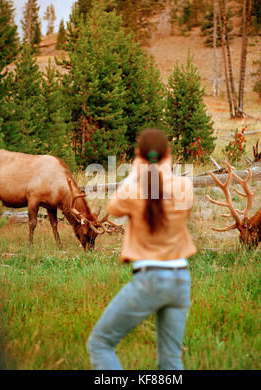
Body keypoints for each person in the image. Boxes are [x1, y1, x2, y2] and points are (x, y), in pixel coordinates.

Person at [87, 128, 197, 370]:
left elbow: (113, 208)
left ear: (139, 156)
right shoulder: (185, 187)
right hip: (181, 278)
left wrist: (134, 175)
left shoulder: (133, 190)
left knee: (101, 343)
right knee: (171, 359)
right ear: (168, 155)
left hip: (150, 278)